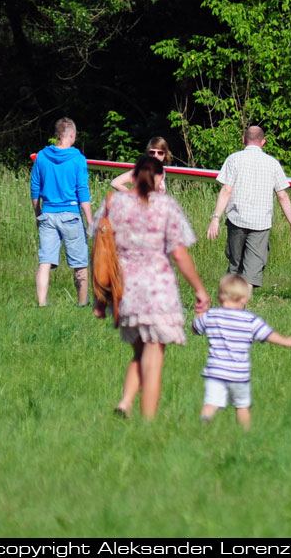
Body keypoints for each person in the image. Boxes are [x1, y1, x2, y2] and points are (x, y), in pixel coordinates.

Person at [95, 155, 210, 419]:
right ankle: (148, 424)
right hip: (157, 291)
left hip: (125, 290)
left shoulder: (114, 204)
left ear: (133, 176)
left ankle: (125, 402)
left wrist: (99, 300)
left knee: (139, 349)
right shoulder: (165, 206)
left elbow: (101, 252)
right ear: (159, 178)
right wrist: (199, 290)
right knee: (154, 354)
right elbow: (179, 254)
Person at [193, 274, 291, 430]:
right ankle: (246, 433)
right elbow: (267, 335)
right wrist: (286, 341)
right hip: (239, 375)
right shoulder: (250, 320)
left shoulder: (212, 316)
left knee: (211, 403)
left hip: (215, 373)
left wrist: (200, 312)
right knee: (242, 407)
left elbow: (196, 328)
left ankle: (203, 423)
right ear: (245, 299)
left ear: (220, 298)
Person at [206, 126, 291, 288]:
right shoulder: (272, 163)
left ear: (244, 140)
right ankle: (240, 308)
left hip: (236, 220)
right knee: (251, 272)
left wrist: (215, 218)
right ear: (263, 142)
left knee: (235, 265)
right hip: (260, 224)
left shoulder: (234, 159)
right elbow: (282, 195)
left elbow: (227, 190)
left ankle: (230, 305)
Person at [31, 117, 93, 307]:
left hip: (48, 214)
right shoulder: (77, 159)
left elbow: (35, 188)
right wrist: (90, 220)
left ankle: (42, 303)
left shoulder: (41, 156)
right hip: (71, 216)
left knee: (45, 261)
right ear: (71, 135)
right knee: (79, 262)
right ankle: (82, 303)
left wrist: (37, 213)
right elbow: (82, 191)